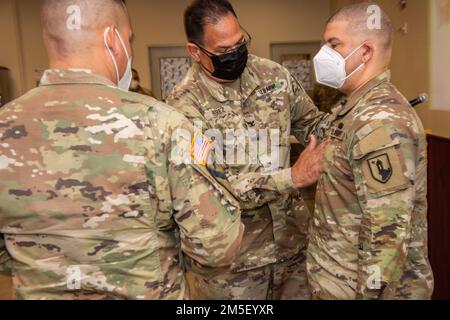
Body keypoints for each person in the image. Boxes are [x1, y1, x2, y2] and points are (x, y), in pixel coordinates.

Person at [0, 0, 244, 300]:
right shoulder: (164, 124)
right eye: (129, 40)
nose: (129, 51)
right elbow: (217, 246)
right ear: (112, 39)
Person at [167, 0, 330, 300]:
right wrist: (291, 177)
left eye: (240, 42)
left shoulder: (274, 76)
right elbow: (212, 189)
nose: (237, 54)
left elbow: (313, 126)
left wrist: (355, 119)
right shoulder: (183, 107)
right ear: (195, 51)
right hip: (233, 269)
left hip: (293, 247)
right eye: (225, 51)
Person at [307, 3, 434, 300]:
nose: (323, 53)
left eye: (333, 44)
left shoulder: (379, 120)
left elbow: (386, 233)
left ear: (365, 52)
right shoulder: (354, 110)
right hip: (337, 282)